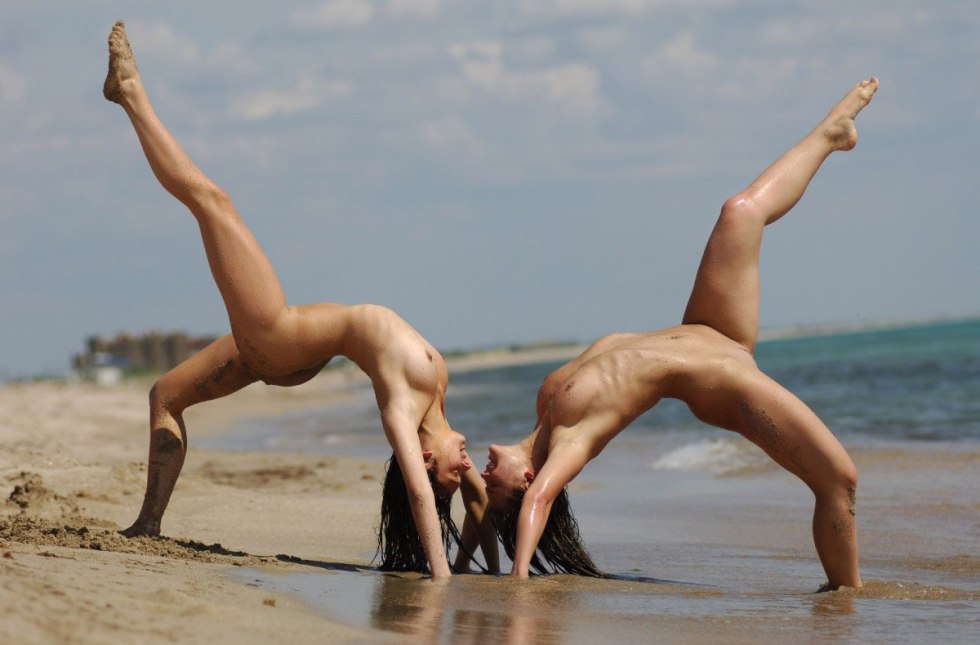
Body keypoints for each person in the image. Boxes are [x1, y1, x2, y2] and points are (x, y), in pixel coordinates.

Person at [103, 20, 496, 579]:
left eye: (455, 476)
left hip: (279, 339)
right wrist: (500, 570)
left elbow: (417, 488)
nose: (470, 465)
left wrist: (441, 575)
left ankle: (131, 93)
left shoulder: (407, 413)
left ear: (429, 458)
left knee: (213, 202)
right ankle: (148, 524)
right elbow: (477, 498)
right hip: (290, 350)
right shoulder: (437, 398)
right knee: (165, 396)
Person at [483, 77, 879, 590]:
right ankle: (847, 594)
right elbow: (538, 502)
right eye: (495, 487)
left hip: (709, 329)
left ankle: (831, 134)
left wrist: (474, 544)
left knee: (740, 211)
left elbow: (486, 500)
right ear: (528, 480)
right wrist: (518, 580)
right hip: (723, 379)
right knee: (839, 481)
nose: (484, 474)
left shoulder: (546, 407)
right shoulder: (567, 444)